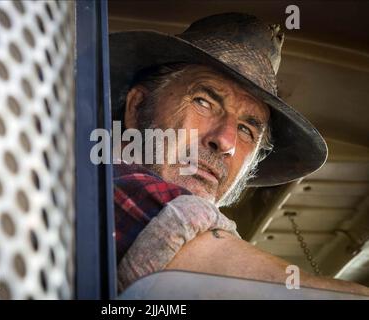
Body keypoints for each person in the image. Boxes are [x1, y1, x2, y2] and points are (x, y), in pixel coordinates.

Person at [109, 13, 369, 295]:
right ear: (137, 107)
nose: (225, 141)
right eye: (203, 102)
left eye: (246, 129)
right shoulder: (102, 179)